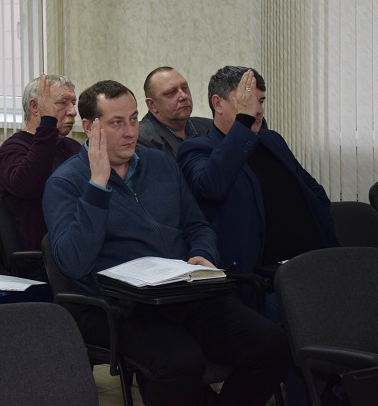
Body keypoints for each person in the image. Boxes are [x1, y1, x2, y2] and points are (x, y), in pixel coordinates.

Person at [43, 80, 289, 406]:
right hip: (120, 308)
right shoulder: (64, 183)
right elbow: (73, 262)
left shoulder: (159, 163)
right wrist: (98, 186)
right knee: (180, 363)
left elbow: (196, 225)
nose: (130, 132)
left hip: (182, 294)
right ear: (89, 127)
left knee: (271, 344)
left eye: (134, 119)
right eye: (117, 123)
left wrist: (202, 253)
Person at [177, 66, 337, 285]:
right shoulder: (196, 149)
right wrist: (243, 121)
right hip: (262, 277)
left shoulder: (272, 140)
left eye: (260, 102)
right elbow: (211, 187)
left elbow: (313, 191)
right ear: (218, 104)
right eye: (247, 103)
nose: (258, 111)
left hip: (315, 262)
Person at [0, 73, 80, 250]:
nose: (73, 111)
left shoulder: (71, 146)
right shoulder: (13, 149)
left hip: (78, 240)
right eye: (62, 103)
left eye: (73, 103)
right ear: (35, 107)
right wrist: (48, 124)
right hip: (44, 252)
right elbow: (29, 187)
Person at [138, 66, 212, 158]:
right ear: (152, 105)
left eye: (185, 88)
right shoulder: (140, 140)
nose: (183, 96)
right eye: (171, 92)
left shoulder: (209, 127)